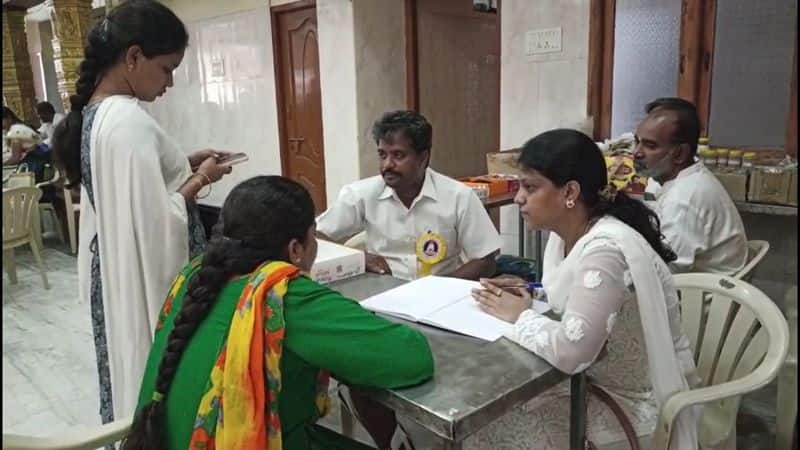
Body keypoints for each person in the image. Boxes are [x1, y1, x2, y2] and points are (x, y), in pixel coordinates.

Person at [122, 176, 433, 450]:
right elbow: (411, 357)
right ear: (296, 249)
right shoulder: (281, 296)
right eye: (315, 236)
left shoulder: (195, 275)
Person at [50, 0, 233, 426]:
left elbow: (135, 188)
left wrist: (186, 162)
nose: (169, 82)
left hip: (112, 270)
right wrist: (200, 179)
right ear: (133, 57)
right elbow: (154, 222)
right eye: (167, 68)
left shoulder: (100, 113)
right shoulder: (126, 119)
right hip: (138, 277)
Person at [469, 129, 699, 450]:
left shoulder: (604, 251)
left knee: (484, 434)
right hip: (586, 383)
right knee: (486, 408)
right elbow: (578, 296)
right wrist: (532, 292)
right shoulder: (565, 233)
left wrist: (520, 317)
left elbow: (572, 353)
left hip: (627, 402)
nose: (519, 197)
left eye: (530, 187)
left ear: (570, 192)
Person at [317, 110, 502, 280]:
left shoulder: (458, 196)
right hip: (381, 293)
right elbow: (313, 235)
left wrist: (442, 288)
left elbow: (486, 261)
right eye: (382, 155)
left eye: (398, 155)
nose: (387, 165)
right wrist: (360, 258)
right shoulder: (360, 195)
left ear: (423, 157)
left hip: (441, 295)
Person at [634, 97, 747, 275]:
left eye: (650, 145)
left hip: (701, 297)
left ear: (679, 153)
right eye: (637, 141)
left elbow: (667, 269)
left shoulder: (684, 199)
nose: (637, 152)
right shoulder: (683, 179)